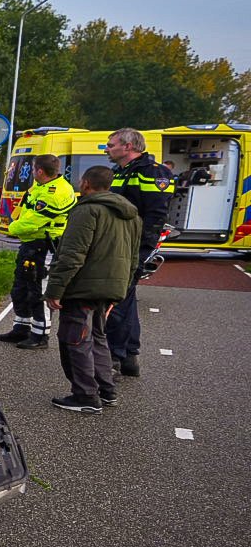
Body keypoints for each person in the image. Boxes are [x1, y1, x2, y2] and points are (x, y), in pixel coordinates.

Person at [42, 166, 141, 413]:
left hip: (83, 287)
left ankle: (85, 395)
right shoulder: (132, 216)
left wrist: (54, 290)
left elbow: (71, 255)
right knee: (97, 338)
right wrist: (121, 291)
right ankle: (106, 391)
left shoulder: (86, 211)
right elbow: (134, 258)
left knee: (75, 340)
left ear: (85, 183)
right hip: (111, 287)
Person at [102, 127, 173, 377]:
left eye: (111, 145)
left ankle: (114, 357)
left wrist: (143, 249)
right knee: (127, 300)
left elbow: (155, 215)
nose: (107, 149)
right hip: (119, 243)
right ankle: (129, 355)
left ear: (128, 147)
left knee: (117, 299)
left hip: (133, 246)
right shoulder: (120, 172)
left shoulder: (153, 173)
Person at [0, 154, 77, 349]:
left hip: (44, 246)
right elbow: (26, 210)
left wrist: (12, 228)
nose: (32, 172)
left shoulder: (55, 192)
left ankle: (40, 335)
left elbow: (33, 221)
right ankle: (21, 328)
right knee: (21, 287)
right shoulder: (40, 186)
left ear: (40, 171)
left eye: (33, 169)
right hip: (31, 245)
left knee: (39, 290)